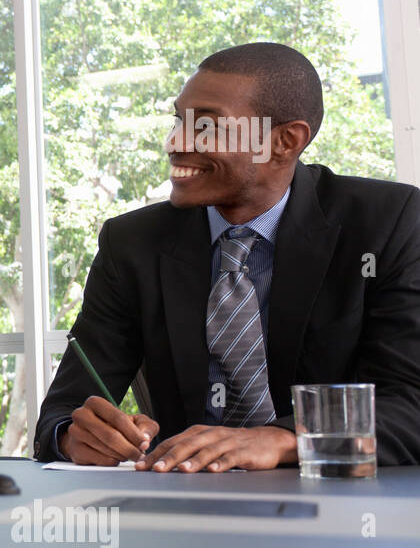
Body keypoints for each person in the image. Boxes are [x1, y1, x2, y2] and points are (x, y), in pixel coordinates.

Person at [35, 42, 420, 470]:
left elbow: (410, 405)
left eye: (207, 127)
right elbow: (60, 413)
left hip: (346, 510)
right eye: (180, 121)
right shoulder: (132, 243)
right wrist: (75, 436)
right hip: (188, 506)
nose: (175, 143)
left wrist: (283, 441)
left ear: (285, 141)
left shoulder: (388, 223)